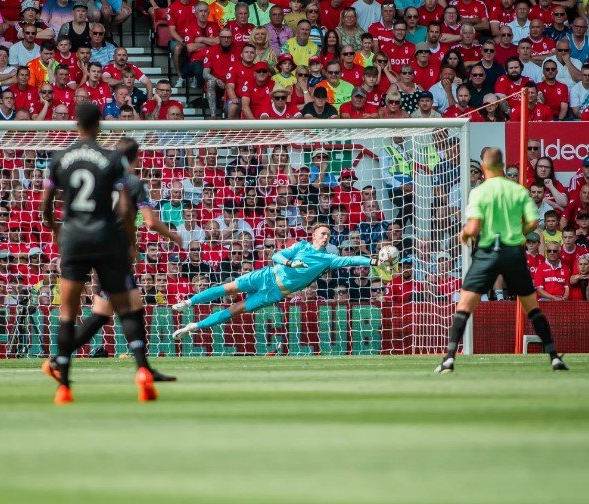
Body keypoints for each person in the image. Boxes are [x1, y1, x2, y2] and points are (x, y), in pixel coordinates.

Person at [40, 103, 160, 404]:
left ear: (75, 124)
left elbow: (45, 203)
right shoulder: (113, 158)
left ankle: (65, 387)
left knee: (67, 311)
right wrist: (129, 242)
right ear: (100, 125)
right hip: (107, 237)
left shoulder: (60, 158)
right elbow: (123, 207)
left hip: (74, 238)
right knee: (125, 306)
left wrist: (56, 228)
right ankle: (142, 371)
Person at [435, 147, 568, 374]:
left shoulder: (479, 191)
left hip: (488, 251)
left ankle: (448, 359)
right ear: (503, 166)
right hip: (513, 252)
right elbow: (534, 221)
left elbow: (474, 226)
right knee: (532, 308)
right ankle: (554, 357)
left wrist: (465, 234)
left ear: (485, 167)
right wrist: (517, 232)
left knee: (464, 306)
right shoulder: (516, 190)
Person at [71, 138, 183, 381]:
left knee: (103, 312)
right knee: (132, 309)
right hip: (115, 252)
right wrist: (172, 235)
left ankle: (59, 358)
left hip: (94, 247)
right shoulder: (133, 183)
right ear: (136, 157)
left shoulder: (100, 180)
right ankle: (144, 370)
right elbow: (151, 222)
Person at [170, 223, 397, 339]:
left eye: (328, 234)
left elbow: (350, 260)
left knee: (235, 308)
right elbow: (276, 256)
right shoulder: (301, 246)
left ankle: (193, 327)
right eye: (322, 233)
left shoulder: (329, 259)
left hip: (274, 293)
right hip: (267, 275)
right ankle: (188, 302)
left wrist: (374, 261)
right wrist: (291, 264)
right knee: (226, 289)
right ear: (314, 235)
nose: (325, 236)